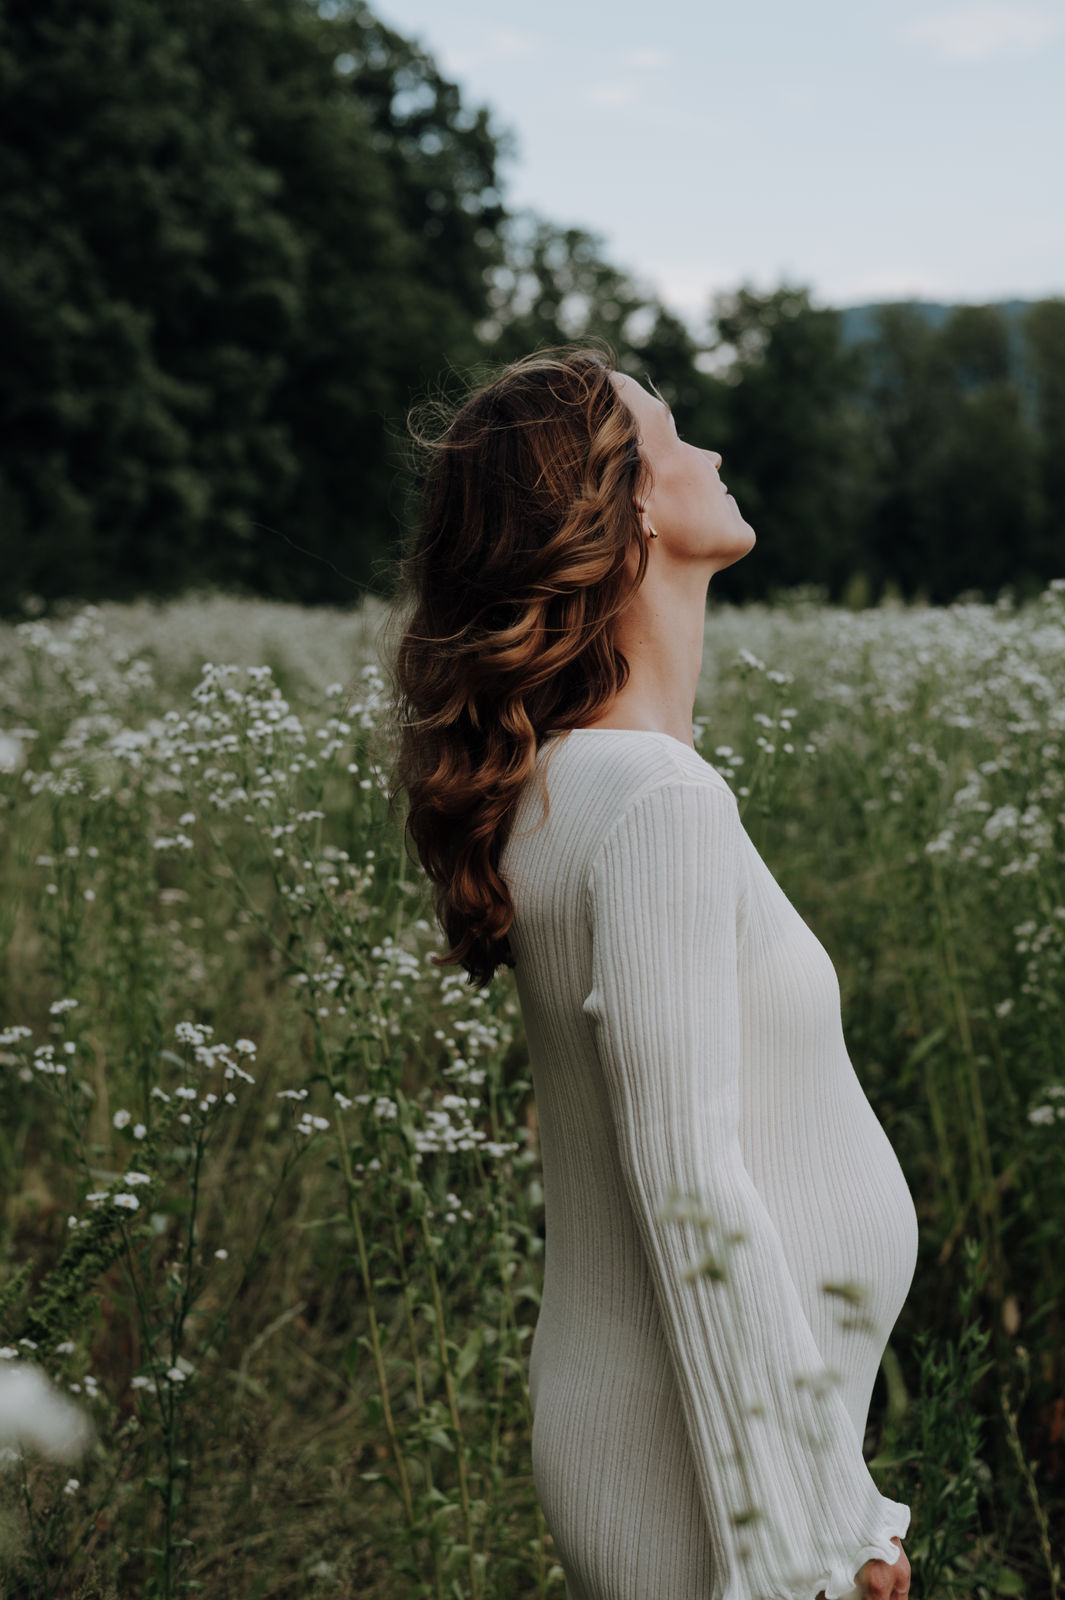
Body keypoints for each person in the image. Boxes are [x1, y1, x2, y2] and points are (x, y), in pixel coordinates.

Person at [385, 345, 918, 1600]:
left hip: (684, 1438)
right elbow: (691, 1187)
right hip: (711, 1483)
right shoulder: (656, 798)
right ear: (620, 501)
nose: (714, 456)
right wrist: (816, 1542)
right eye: (676, 435)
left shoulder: (574, 780)